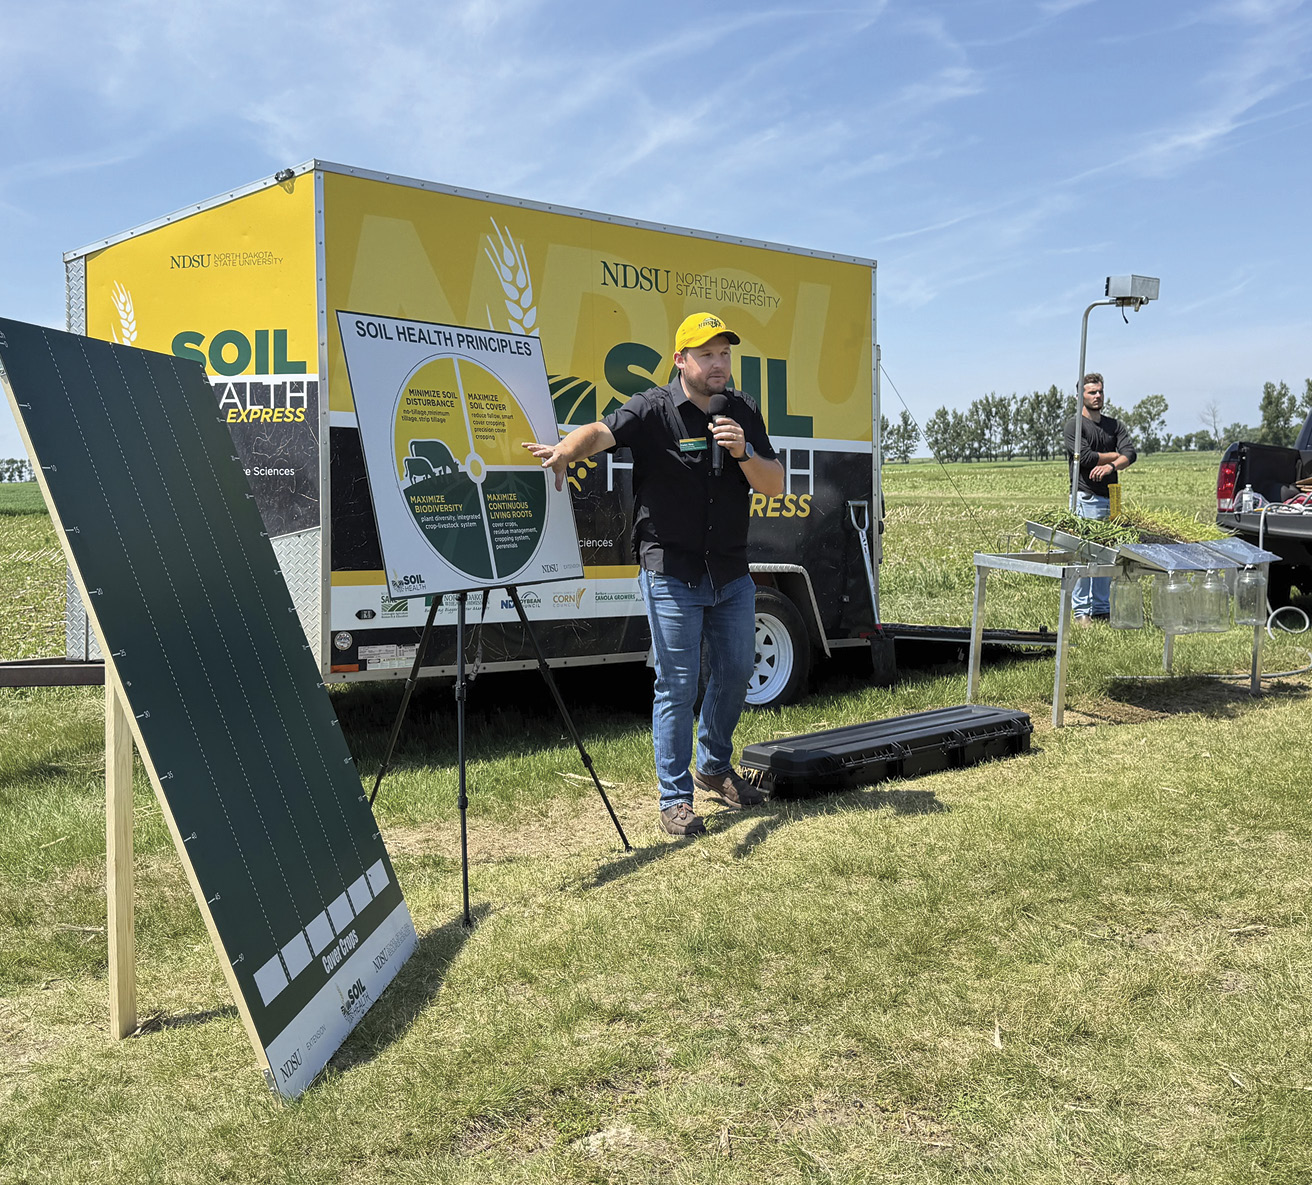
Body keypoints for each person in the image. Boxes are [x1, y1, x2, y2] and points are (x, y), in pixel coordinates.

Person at [523, 312, 785, 836]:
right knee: (678, 684)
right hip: (671, 570)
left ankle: (714, 767)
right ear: (681, 360)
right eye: (707, 355)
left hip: (729, 570)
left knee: (737, 672)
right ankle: (675, 798)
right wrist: (565, 450)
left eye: (725, 354)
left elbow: (774, 484)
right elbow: (601, 432)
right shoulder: (652, 409)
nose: (719, 364)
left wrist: (743, 452)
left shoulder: (742, 410)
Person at [1063, 372, 1137, 622]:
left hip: (1112, 496)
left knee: (1108, 553)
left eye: (1100, 391)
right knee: (1084, 553)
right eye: (1091, 392)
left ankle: (1102, 608)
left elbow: (1130, 454)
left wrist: (1111, 466)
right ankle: (1082, 611)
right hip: (1087, 496)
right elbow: (1085, 458)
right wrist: (1114, 455)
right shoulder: (1075, 426)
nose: (1097, 396)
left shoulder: (1114, 426)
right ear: (1079, 396)